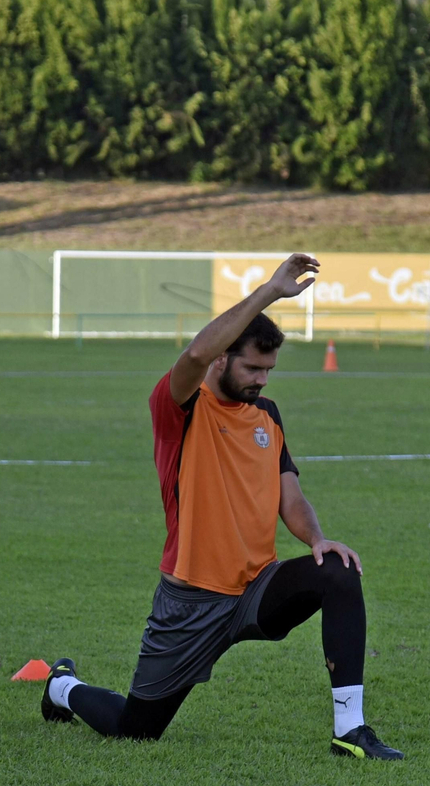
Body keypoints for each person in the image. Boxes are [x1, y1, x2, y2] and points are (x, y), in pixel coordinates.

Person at [40, 253, 403, 759]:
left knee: (338, 571)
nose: (263, 379)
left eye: (269, 368)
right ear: (221, 359)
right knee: (136, 731)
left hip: (257, 586)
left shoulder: (267, 416)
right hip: (191, 600)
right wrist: (269, 292)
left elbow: (289, 495)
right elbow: (190, 357)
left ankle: (350, 731)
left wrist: (317, 540)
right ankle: (62, 688)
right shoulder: (180, 407)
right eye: (253, 366)